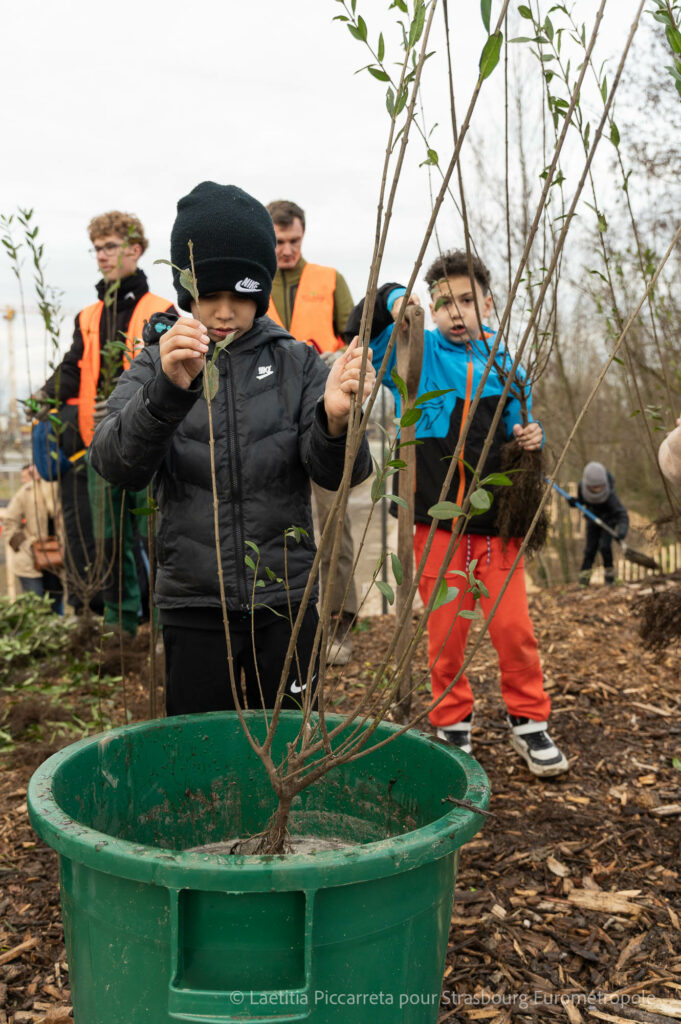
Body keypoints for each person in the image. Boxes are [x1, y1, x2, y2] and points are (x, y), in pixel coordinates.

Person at [89, 182, 374, 715]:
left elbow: (339, 472)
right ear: (186, 292)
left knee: (292, 749)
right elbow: (115, 464)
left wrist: (337, 420)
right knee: (199, 756)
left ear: (261, 290)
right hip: (193, 605)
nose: (223, 311)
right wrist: (168, 390)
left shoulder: (296, 362)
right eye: (208, 295)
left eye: (239, 294)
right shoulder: (156, 361)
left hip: (284, 602)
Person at [349, 248, 568, 777]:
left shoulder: (510, 368)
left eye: (466, 300)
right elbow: (357, 322)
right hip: (434, 525)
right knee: (445, 632)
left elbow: (522, 437)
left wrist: (531, 439)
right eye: (443, 301)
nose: (454, 311)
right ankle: (452, 721)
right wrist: (400, 302)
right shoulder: (414, 350)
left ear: (487, 305)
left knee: (514, 628)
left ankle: (529, 720)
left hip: (498, 530)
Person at [28, 211, 174, 630]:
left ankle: (165, 629)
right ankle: (120, 624)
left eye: (110, 247)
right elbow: (74, 368)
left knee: (158, 538)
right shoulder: (88, 317)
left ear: (135, 249)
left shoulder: (161, 309)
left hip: (152, 441)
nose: (102, 256)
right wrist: (42, 396)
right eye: (97, 249)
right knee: (108, 541)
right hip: (102, 444)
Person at [266, 199, 359, 666]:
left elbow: (352, 338)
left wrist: (335, 363)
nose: (285, 249)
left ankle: (340, 622)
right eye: (278, 242)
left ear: (303, 236)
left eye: (293, 241)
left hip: (322, 410)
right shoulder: (253, 282)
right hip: (270, 417)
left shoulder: (328, 279)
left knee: (334, 518)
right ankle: (283, 620)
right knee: (279, 519)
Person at [4, 465, 63, 613]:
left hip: (56, 559)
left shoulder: (62, 491)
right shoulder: (26, 492)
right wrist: (26, 545)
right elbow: (9, 522)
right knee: (35, 604)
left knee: (55, 603)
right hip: (30, 560)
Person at [571, 462, 628, 586]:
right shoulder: (582, 486)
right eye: (594, 487)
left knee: (605, 547)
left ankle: (609, 579)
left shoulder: (610, 495)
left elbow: (622, 515)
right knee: (589, 550)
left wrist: (622, 531)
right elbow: (581, 501)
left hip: (608, 522)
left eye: (600, 486)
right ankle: (583, 581)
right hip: (592, 520)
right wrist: (574, 502)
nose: (597, 489)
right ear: (588, 485)